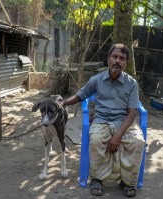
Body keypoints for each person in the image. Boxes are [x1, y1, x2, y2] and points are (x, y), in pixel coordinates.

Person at [61, 43, 145, 197]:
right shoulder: (96, 79)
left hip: (124, 121)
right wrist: (63, 103)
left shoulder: (131, 83)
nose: (117, 61)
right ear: (108, 60)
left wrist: (118, 134)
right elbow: (80, 95)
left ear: (126, 63)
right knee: (96, 140)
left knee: (137, 142)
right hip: (101, 120)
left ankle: (127, 182)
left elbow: (133, 112)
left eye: (122, 58)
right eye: (115, 57)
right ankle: (97, 179)